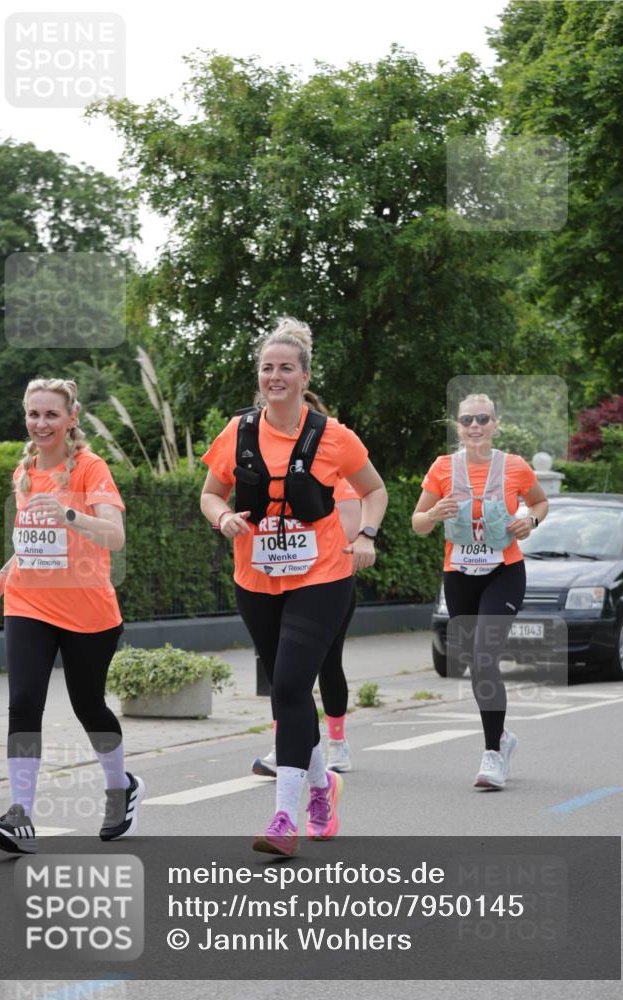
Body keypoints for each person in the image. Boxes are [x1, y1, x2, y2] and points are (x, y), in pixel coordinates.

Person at [201, 317, 387, 855]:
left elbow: (374, 491)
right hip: (256, 577)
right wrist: (223, 518)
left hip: (322, 574)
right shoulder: (236, 433)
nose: (275, 376)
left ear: (304, 377)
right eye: (267, 368)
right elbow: (211, 494)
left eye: (286, 368)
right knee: (289, 690)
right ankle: (325, 785)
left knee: (286, 689)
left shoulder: (333, 436)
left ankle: (285, 816)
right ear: (258, 378)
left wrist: (368, 534)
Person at [0, 378, 144, 854]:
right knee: (23, 702)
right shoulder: (23, 470)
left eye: (51, 415)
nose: (41, 423)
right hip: (29, 603)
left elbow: (115, 536)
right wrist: (1, 578)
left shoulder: (90, 469)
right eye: (33, 414)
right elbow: (29, 545)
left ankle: (121, 787)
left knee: (88, 706)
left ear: (72, 419)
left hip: (88, 611)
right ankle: (20, 814)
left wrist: (70, 515)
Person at [412, 393, 548, 789]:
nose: (475, 426)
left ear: (494, 424)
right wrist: (433, 514)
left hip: (503, 572)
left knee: (485, 656)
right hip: (458, 574)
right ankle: (503, 738)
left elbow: (540, 504)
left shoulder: (515, 467)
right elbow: (417, 522)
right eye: (467, 419)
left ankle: (491, 754)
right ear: (458, 425)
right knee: (474, 661)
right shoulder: (441, 468)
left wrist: (530, 521)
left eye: (482, 419)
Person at [251, 401, 362, 778]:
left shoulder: (333, 472)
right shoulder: (258, 463)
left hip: (324, 582)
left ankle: (337, 741)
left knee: (328, 665)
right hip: (276, 582)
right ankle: (286, 743)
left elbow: (350, 525)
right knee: (282, 674)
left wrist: (305, 529)